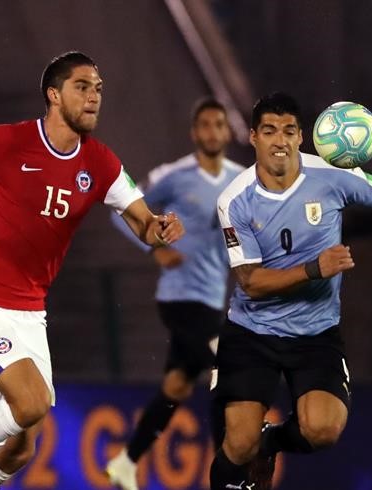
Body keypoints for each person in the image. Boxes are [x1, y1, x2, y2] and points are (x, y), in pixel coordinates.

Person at [0, 51, 185, 490]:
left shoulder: (101, 164)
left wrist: (160, 228)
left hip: (30, 309)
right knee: (29, 403)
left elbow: (143, 222)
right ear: (53, 94)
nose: (93, 98)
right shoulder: (9, 142)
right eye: (82, 87)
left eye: (98, 89)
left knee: (21, 446)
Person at [209, 93, 372, 489]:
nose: (280, 141)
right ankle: (251, 446)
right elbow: (251, 283)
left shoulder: (331, 174)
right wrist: (315, 268)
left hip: (315, 335)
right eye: (270, 131)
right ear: (253, 137)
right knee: (238, 444)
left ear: (301, 137)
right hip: (252, 334)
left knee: (323, 431)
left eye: (289, 131)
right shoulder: (235, 200)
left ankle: (271, 440)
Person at [105, 98, 245, 490]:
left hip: (214, 297)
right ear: (194, 132)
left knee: (177, 387)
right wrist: (154, 248)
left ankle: (126, 462)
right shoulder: (174, 175)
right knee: (225, 368)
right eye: (205, 125)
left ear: (226, 132)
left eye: (219, 125)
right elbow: (122, 210)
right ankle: (228, 478)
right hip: (179, 298)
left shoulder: (240, 180)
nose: (212, 132)